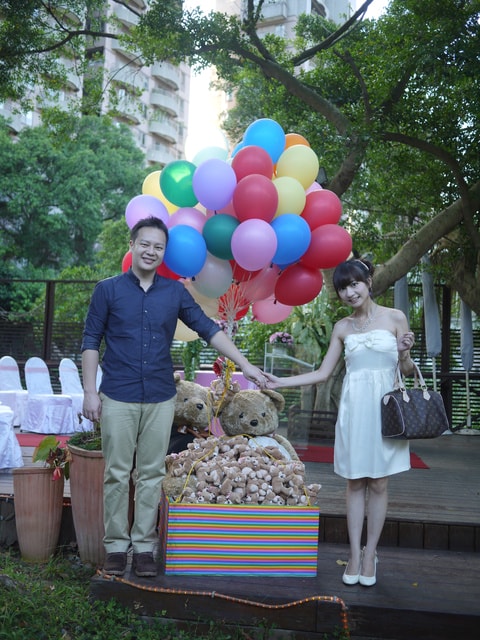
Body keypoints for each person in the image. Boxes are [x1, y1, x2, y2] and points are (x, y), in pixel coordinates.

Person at [81, 216, 267, 578]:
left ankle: (144, 548)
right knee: (117, 473)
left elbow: (208, 329)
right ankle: (116, 547)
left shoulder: (175, 293)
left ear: (164, 252)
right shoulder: (108, 290)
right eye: (145, 244)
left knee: (151, 473)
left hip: (160, 396)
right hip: (118, 393)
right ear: (132, 245)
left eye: (158, 246)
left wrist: (245, 364)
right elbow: (90, 341)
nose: (150, 251)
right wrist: (90, 391)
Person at [265, 258, 415, 587]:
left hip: (386, 409)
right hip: (354, 410)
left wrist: (404, 352)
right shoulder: (342, 327)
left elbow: (405, 370)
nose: (350, 292)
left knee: (379, 483)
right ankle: (354, 555)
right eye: (343, 288)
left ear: (369, 282)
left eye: (355, 284)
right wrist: (281, 381)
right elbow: (323, 373)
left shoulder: (395, 317)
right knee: (355, 482)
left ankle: (370, 553)